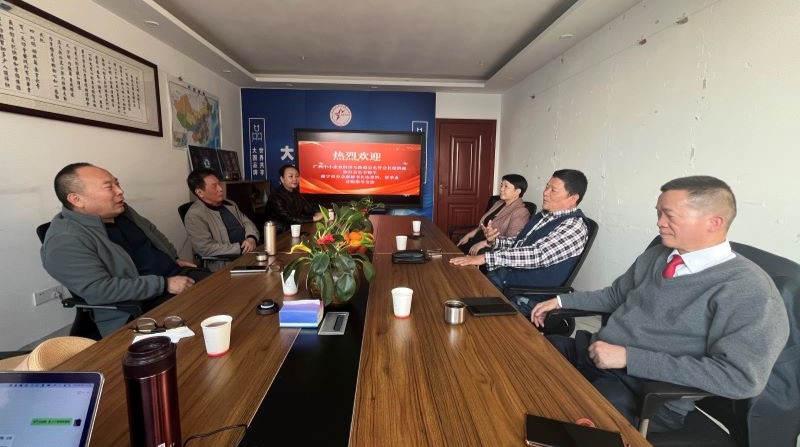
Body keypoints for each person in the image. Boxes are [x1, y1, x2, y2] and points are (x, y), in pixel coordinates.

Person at [531, 175, 789, 432]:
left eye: (669, 216)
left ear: (713, 222)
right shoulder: (658, 255)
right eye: (658, 213)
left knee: (562, 418)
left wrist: (630, 358)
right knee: (525, 357)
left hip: (644, 392)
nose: (659, 223)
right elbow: (616, 296)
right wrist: (561, 300)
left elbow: (740, 378)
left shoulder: (748, 288)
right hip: (596, 353)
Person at [40, 163, 208, 336]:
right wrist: (164, 284)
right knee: (211, 323)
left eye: (117, 183)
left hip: (176, 277)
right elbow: (99, 289)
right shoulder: (64, 240)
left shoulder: (121, 211)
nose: (120, 191)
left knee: (225, 288)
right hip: (144, 304)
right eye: (109, 187)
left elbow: (152, 231)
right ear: (77, 200)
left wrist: (172, 257)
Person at [450, 169, 589, 315]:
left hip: (525, 297)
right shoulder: (543, 216)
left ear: (573, 198)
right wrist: (494, 241)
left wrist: (486, 257)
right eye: (547, 187)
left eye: (553, 190)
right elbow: (520, 243)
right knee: (455, 288)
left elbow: (538, 255)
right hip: (504, 280)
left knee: (466, 314)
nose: (545, 192)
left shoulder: (574, 226)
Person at [184, 168, 260, 271]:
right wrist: (240, 248)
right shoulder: (194, 215)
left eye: (219, 184)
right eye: (214, 186)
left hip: (250, 252)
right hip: (227, 263)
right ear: (200, 192)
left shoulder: (230, 204)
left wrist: (251, 238)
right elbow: (206, 248)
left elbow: (247, 222)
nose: (220, 189)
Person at [456, 174, 531, 255]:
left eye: (506, 186)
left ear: (517, 191)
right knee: (453, 251)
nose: (501, 189)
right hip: (477, 238)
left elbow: (512, 241)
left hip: (491, 247)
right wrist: (469, 235)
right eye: (501, 185)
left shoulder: (521, 212)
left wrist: (486, 243)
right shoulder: (498, 203)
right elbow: (483, 225)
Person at [266, 164, 323, 232]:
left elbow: (308, 209)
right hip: (279, 232)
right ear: (282, 179)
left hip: (294, 229)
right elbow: (288, 218)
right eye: (291, 176)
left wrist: (320, 212)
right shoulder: (275, 196)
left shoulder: (296, 193)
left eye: (297, 176)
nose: (295, 179)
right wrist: (313, 218)